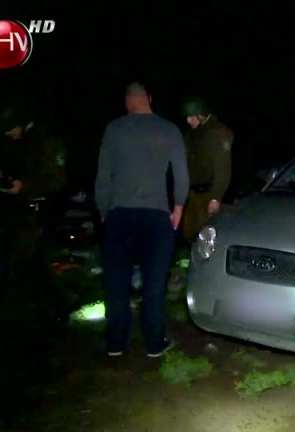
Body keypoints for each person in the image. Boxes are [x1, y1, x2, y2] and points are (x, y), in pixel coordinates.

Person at [95, 82, 189, 357]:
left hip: (120, 215)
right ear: (149, 98)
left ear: (127, 101)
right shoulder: (169, 129)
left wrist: (104, 210)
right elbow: (181, 175)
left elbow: (103, 177)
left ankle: (115, 343)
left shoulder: (114, 129)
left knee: (116, 282)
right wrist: (179, 208)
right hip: (156, 215)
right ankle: (153, 343)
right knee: (154, 283)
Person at [0, 108, 67, 310]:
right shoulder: (17, 144)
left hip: (40, 213)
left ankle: (56, 304)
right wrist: (0, 175)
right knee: (27, 264)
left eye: (10, 129)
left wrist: (25, 186)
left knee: (24, 263)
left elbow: (56, 180)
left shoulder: (46, 144)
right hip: (19, 212)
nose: (8, 134)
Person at [181, 97, 233, 243]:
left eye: (191, 116)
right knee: (189, 232)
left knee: (205, 234)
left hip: (209, 193)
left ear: (200, 114)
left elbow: (223, 169)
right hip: (193, 192)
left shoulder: (217, 132)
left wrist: (215, 197)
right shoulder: (193, 133)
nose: (188, 120)